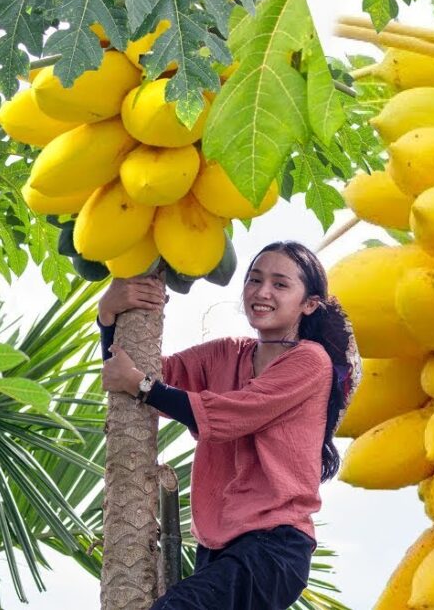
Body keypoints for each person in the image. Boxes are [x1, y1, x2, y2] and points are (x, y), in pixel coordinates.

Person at [98, 241, 357, 610]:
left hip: (273, 547)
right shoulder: (226, 353)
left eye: (280, 284)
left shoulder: (310, 362)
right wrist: (107, 317)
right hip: (215, 548)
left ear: (309, 303)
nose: (262, 292)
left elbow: (230, 412)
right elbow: (140, 373)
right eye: (254, 279)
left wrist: (142, 385)